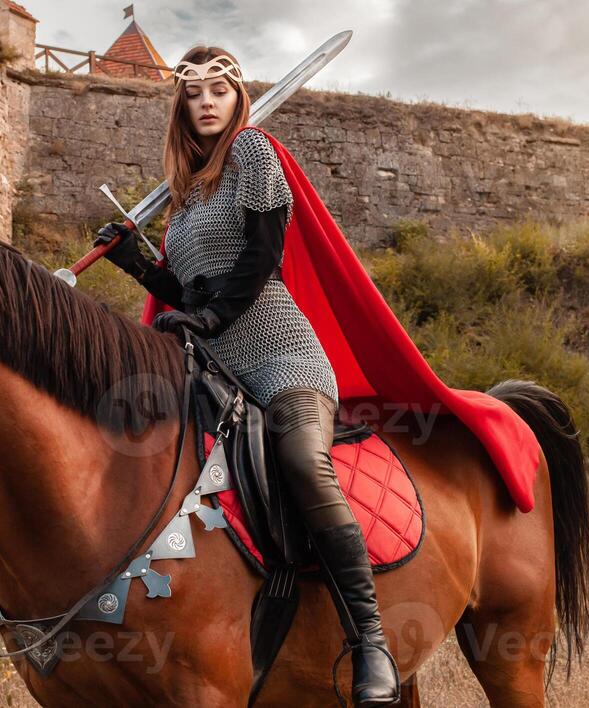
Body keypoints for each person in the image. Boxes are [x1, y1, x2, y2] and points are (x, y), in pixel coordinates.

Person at [94, 46, 401, 706]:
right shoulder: (185, 197)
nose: (206, 100)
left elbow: (261, 258)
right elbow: (187, 290)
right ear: (181, 105)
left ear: (237, 99)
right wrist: (135, 264)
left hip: (282, 354)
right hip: (214, 367)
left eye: (219, 90)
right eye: (194, 91)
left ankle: (368, 640)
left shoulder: (254, 155)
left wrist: (208, 318)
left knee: (300, 459)